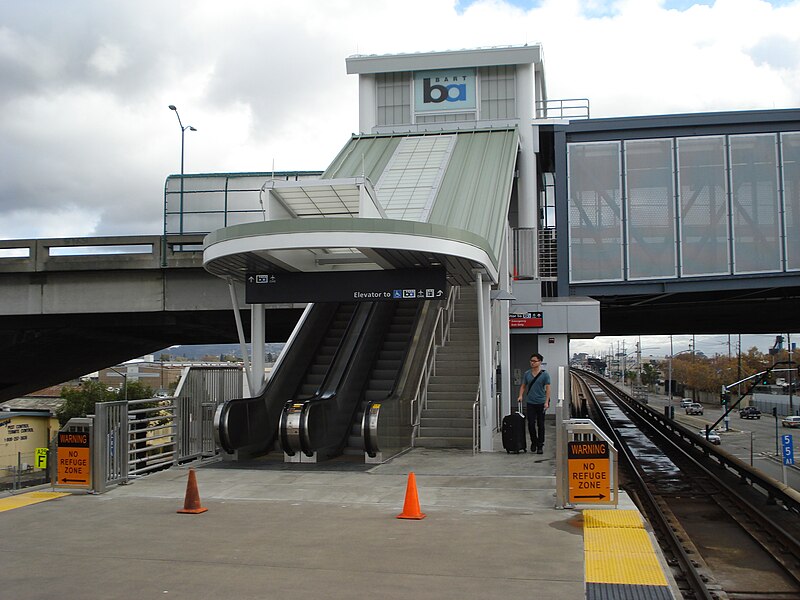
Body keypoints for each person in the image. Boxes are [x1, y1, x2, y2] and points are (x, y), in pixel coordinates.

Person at [517, 353, 551, 454]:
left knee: (541, 424)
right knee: (531, 424)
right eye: (531, 361)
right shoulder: (527, 374)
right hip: (530, 402)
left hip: (541, 402)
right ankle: (534, 442)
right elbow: (523, 386)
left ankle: (540, 445)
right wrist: (520, 395)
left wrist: (546, 402)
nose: (532, 363)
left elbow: (548, 389)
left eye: (534, 361)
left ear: (539, 362)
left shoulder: (545, 374)